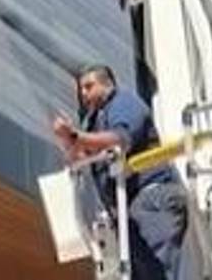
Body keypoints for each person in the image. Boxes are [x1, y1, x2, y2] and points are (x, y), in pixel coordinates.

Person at [52, 65, 192, 280]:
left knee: (156, 271)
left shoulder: (123, 101)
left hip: (151, 197)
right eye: (81, 90)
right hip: (131, 208)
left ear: (107, 84)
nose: (84, 94)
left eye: (89, 87)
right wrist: (69, 140)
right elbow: (82, 154)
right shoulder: (93, 122)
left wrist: (75, 137)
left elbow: (120, 140)